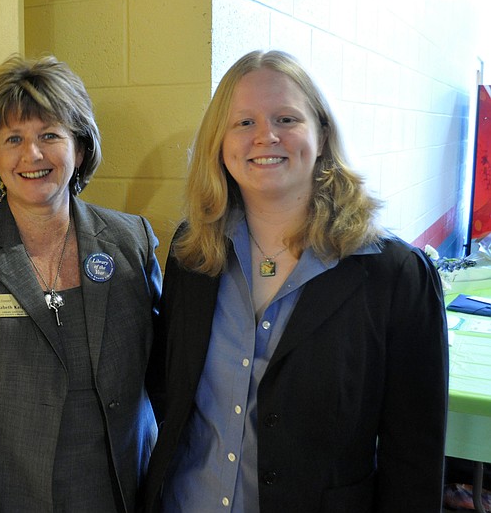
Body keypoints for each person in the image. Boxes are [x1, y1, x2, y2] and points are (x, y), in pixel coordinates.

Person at [141, 50, 448, 512]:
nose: (265, 136)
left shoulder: (394, 275)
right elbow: (170, 391)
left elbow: (414, 460)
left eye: (286, 119)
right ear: (220, 144)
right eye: (244, 122)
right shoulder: (194, 252)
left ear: (322, 136)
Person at [0, 55, 162, 512]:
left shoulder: (131, 241)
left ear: (80, 148)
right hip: (12, 497)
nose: (32, 155)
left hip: (124, 492)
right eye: (13, 138)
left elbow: (167, 379)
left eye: (50, 135)